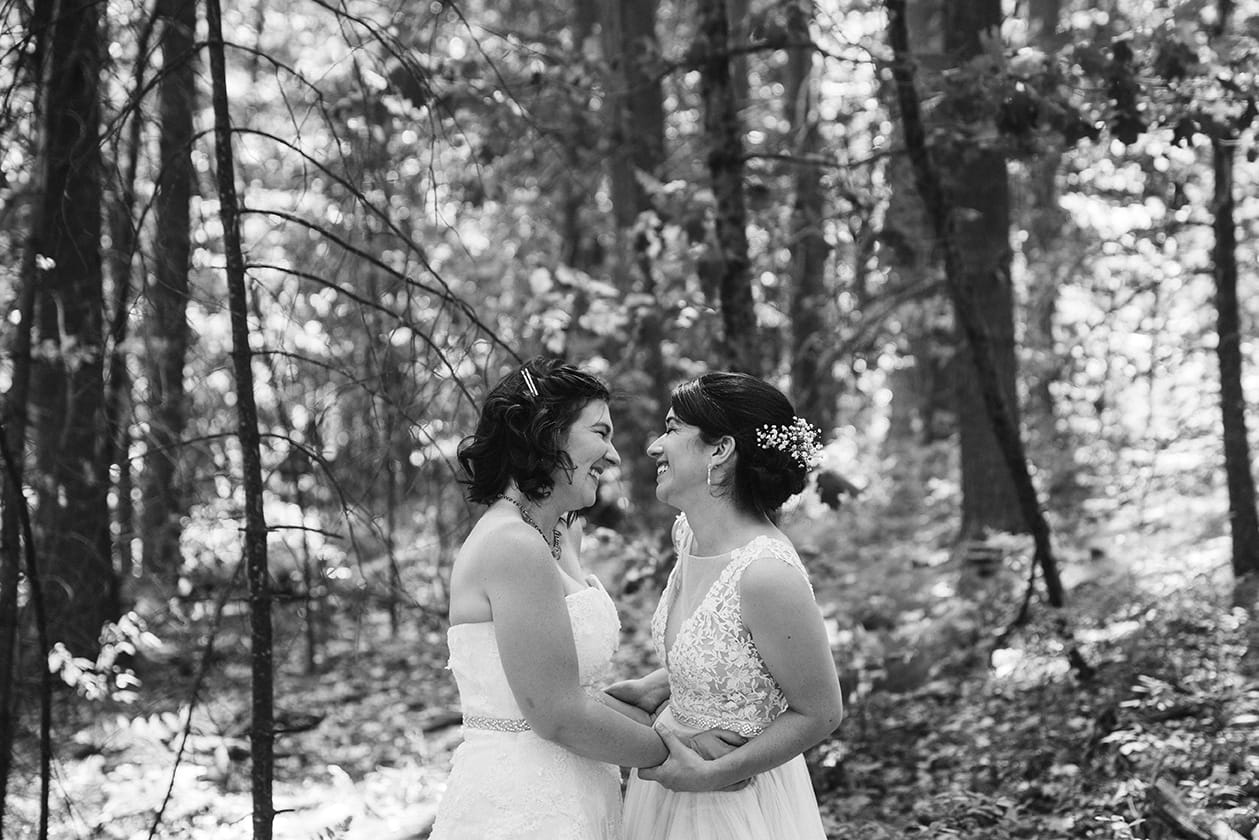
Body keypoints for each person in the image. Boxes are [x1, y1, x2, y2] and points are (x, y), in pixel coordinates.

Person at [429, 357, 667, 840]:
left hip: (583, 790)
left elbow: (568, 691)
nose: (614, 456)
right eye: (600, 433)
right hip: (521, 807)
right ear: (548, 433)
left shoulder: (560, 536)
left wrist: (652, 705)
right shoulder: (511, 543)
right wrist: (674, 752)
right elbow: (557, 714)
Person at [607, 372, 845, 840]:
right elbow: (736, 653)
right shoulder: (687, 535)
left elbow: (821, 712)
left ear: (720, 450)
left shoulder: (767, 574)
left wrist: (714, 773)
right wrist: (663, 683)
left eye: (672, 429)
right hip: (669, 782)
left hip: (734, 800)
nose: (655, 447)